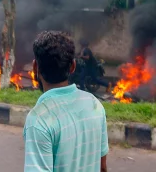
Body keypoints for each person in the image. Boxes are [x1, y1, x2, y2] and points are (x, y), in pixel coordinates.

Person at [24, 31, 108, 172]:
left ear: (35, 68)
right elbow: (102, 167)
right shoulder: (94, 105)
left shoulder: (39, 119)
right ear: (73, 67)